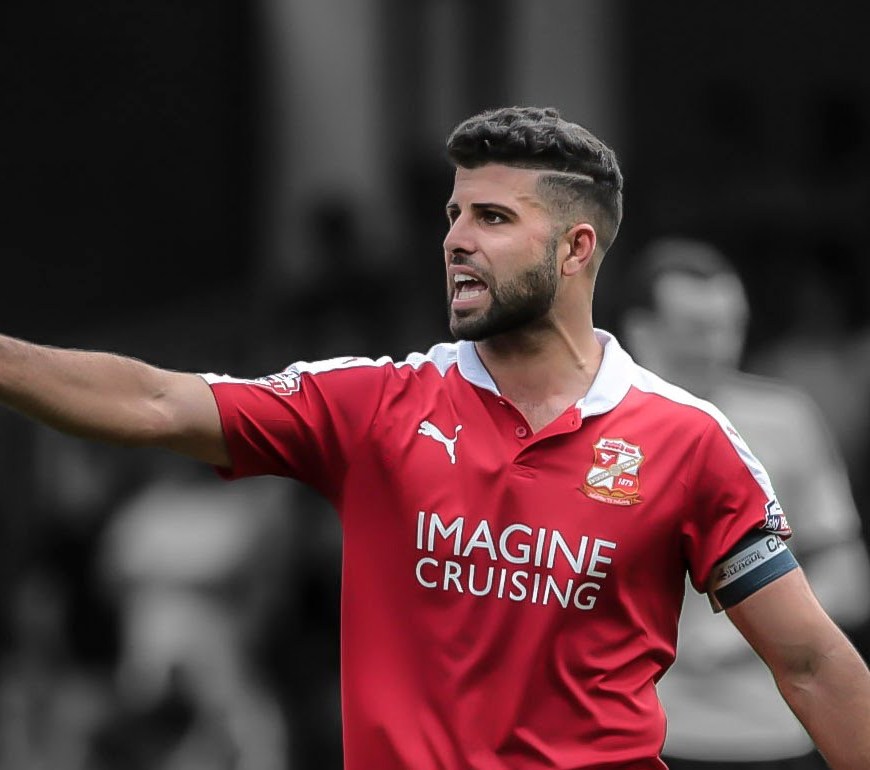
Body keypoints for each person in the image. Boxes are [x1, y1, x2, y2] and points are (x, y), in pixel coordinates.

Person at [0, 106, 869, 769]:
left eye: (493, 218)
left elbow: (811, 665)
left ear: (575, 249)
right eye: (454, 215)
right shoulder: (372, 405)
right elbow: (157, 402)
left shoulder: (691, 441)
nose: (455, 240)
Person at [620, 237, 870, 770]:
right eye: (696, 329)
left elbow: (849, 575)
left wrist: (745, 626)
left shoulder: (787, 419)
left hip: (773, 733)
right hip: (644, 732)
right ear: (642, 331)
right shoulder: (595, 427)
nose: (719, 346)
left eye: (731, 326)